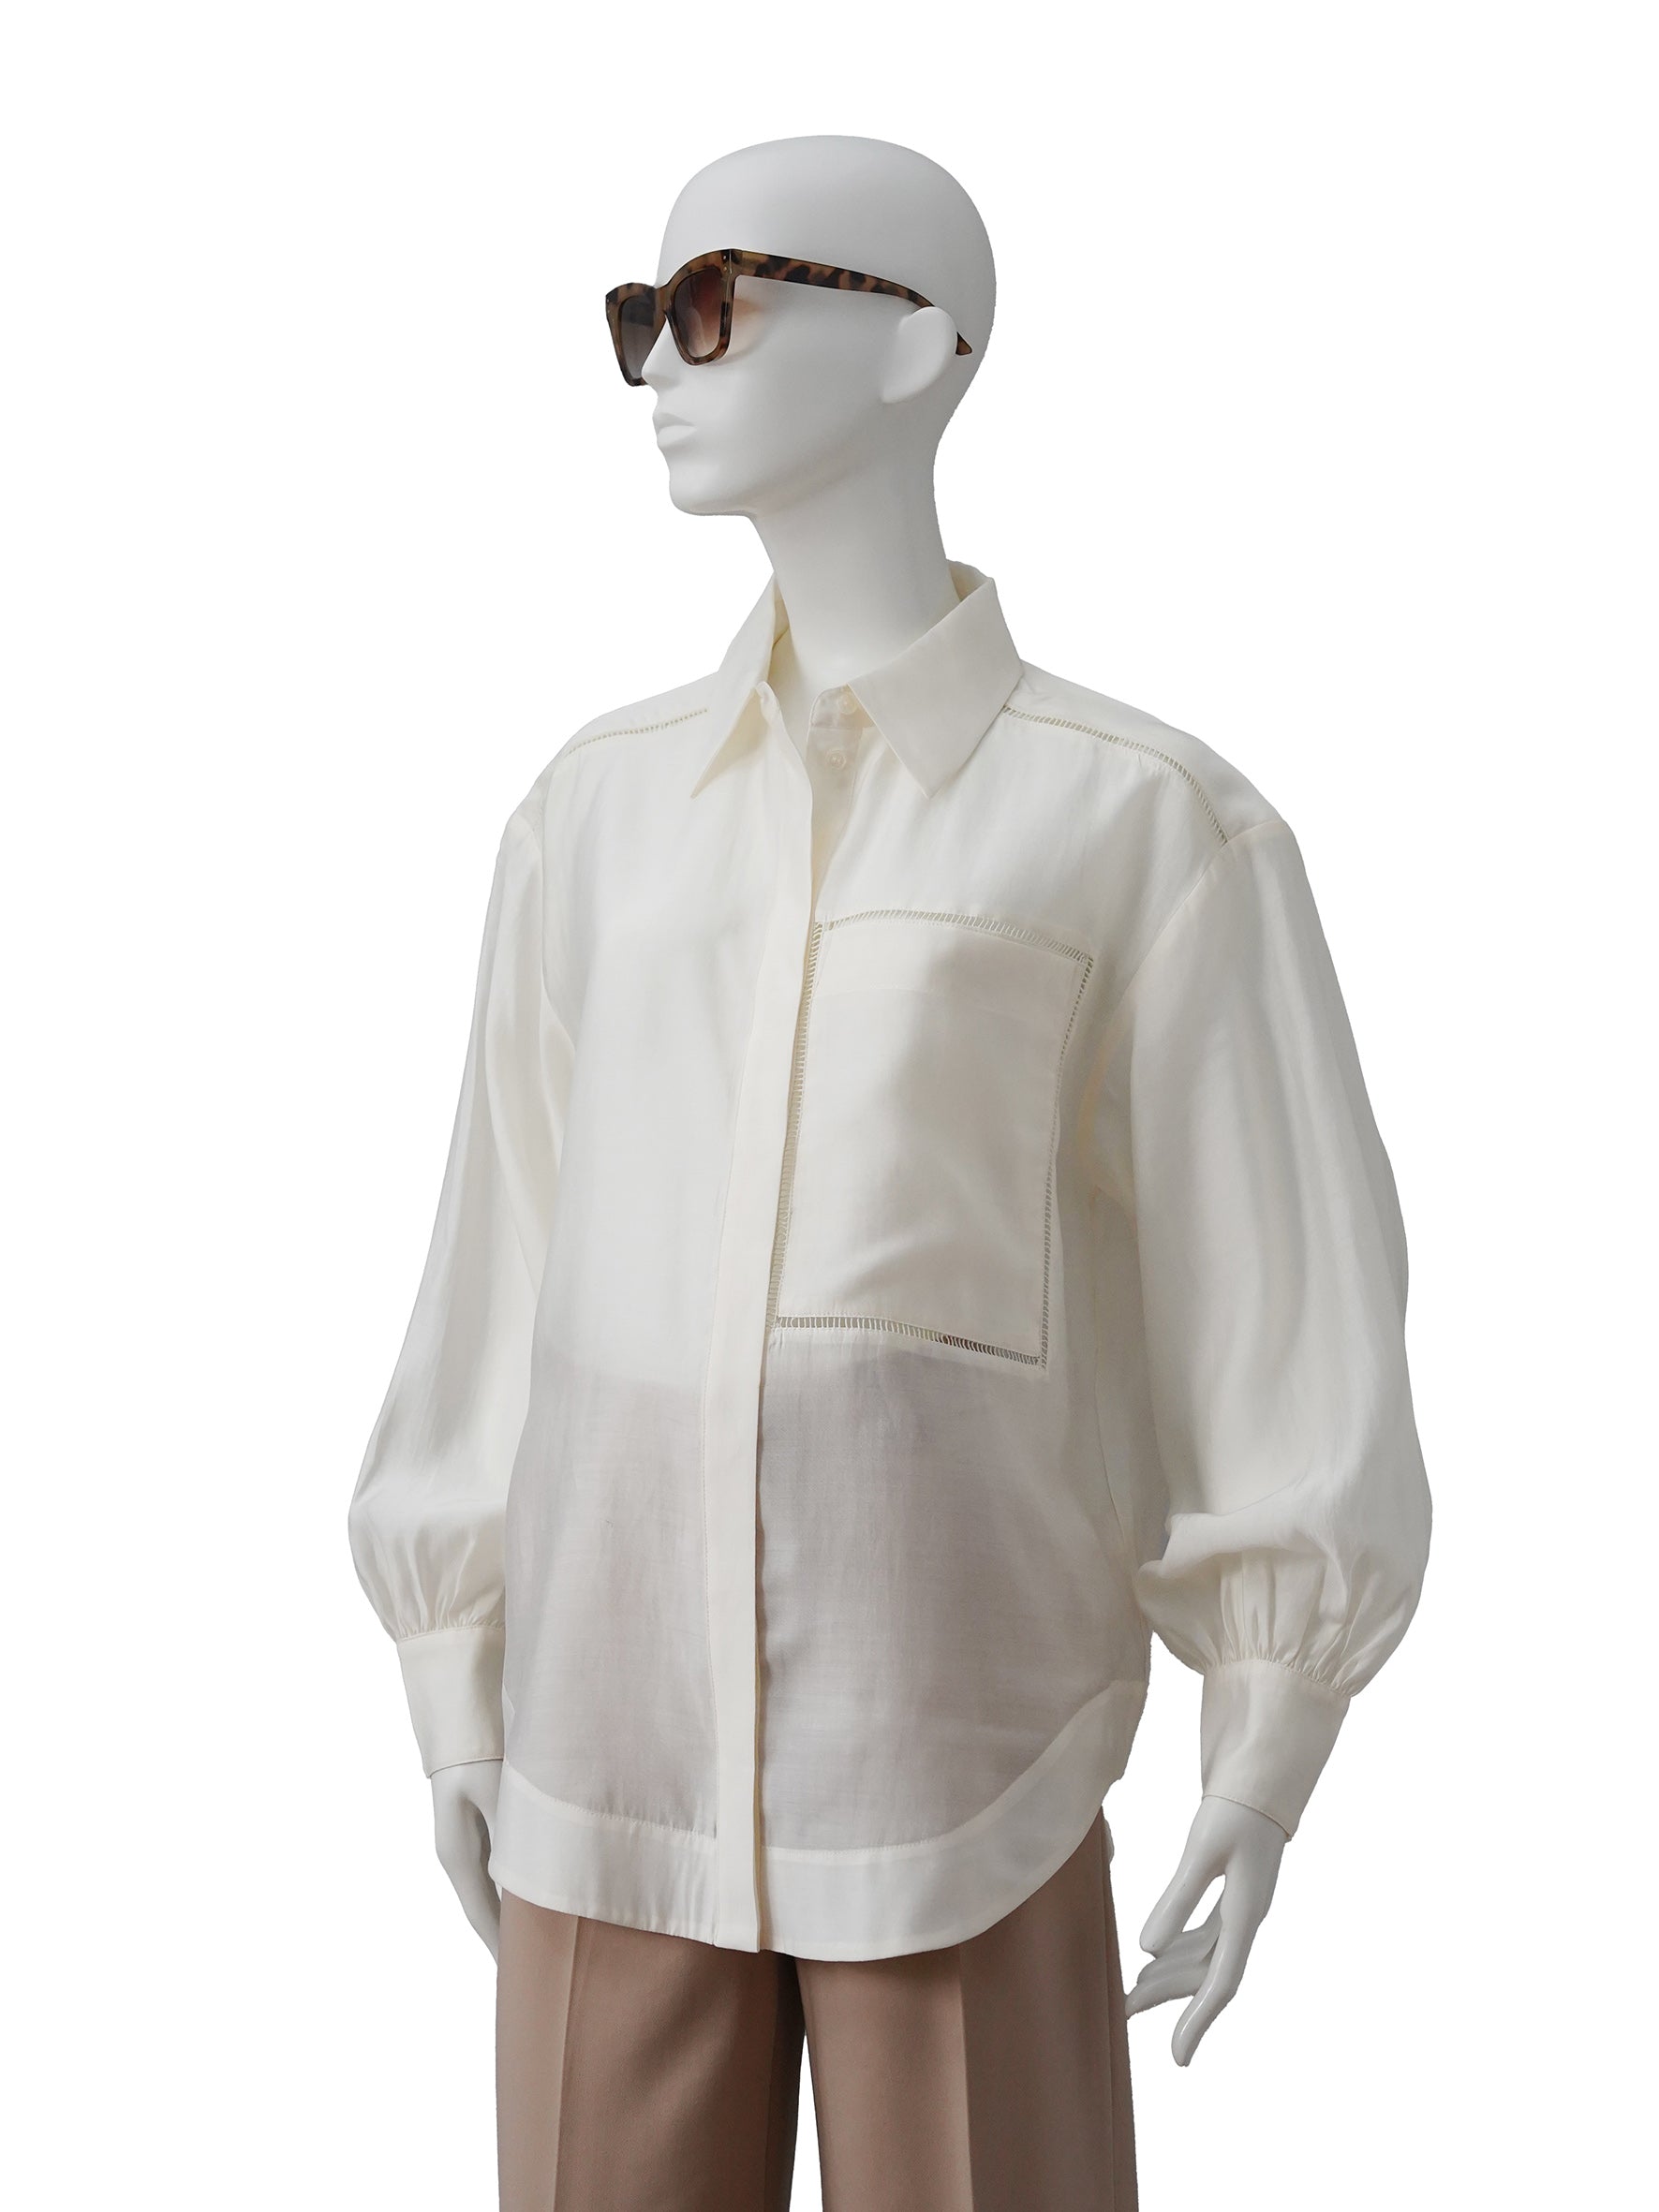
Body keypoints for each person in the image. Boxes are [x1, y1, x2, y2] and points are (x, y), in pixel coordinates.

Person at [348, 133, 1432, 2211]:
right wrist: (447, 1663)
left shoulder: (1145, 827)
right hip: (604, 1760)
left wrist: (1269, 1728)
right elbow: (502, 1263)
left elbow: (1273, 1286)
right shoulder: (592, 819)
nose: (661, 364)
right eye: (639, 316)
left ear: (924, 346)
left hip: (960, 1764)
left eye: (714, 302)